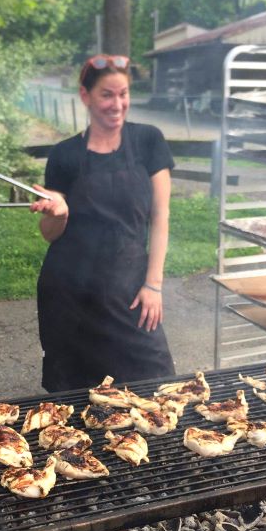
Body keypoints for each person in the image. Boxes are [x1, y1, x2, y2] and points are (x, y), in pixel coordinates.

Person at [30, 54, 175, 392]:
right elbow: (49, 235)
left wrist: (153, 285)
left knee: (156, 386)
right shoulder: (64, 155)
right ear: (86, 96)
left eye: (123, 94)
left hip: (129, 289)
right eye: (107, 95)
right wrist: (60, 214)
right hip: (69, 295)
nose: (117, 103)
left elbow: (161, 217)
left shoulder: (148, 141)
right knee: (75, 400)